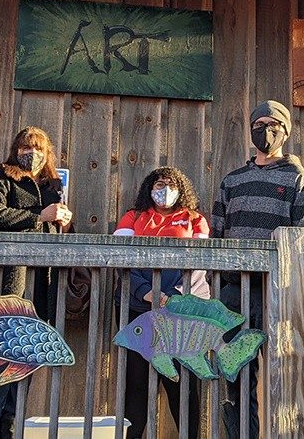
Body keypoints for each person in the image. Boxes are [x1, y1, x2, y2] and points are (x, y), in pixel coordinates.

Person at [211, 99, 304, 438]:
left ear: (285, 131)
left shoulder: (298, 179)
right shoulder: (232, 180)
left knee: (285, 372)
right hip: (234, 292)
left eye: (273, 124)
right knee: (236, 372)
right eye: (259, 124)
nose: (265, 130)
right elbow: (217, 233)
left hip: (279, 292)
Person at [0, 126, 90, 438]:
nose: (32, 153)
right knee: (2, 353)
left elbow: (55, 228)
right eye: (26, 147)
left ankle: (10, 423)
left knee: (28, 354)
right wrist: (40, 215)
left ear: (47, 153)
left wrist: (64, 224)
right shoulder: (0, 176)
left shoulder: (52, 184)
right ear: (16, 149)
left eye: (38, 148)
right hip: (10, 282)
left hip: (42, 284)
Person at [113, 166, 208, 438]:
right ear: (149, 188)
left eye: (169, 184)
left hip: (182, 316)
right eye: (158, 184)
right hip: (139, 311)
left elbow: (202, 263)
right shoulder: (133, 218)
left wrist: (176, 297)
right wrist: (146, 292)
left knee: (183, 384)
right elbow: (121, 260)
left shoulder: (195, 219)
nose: (163, 189)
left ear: (180, 189)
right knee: (137, 384)